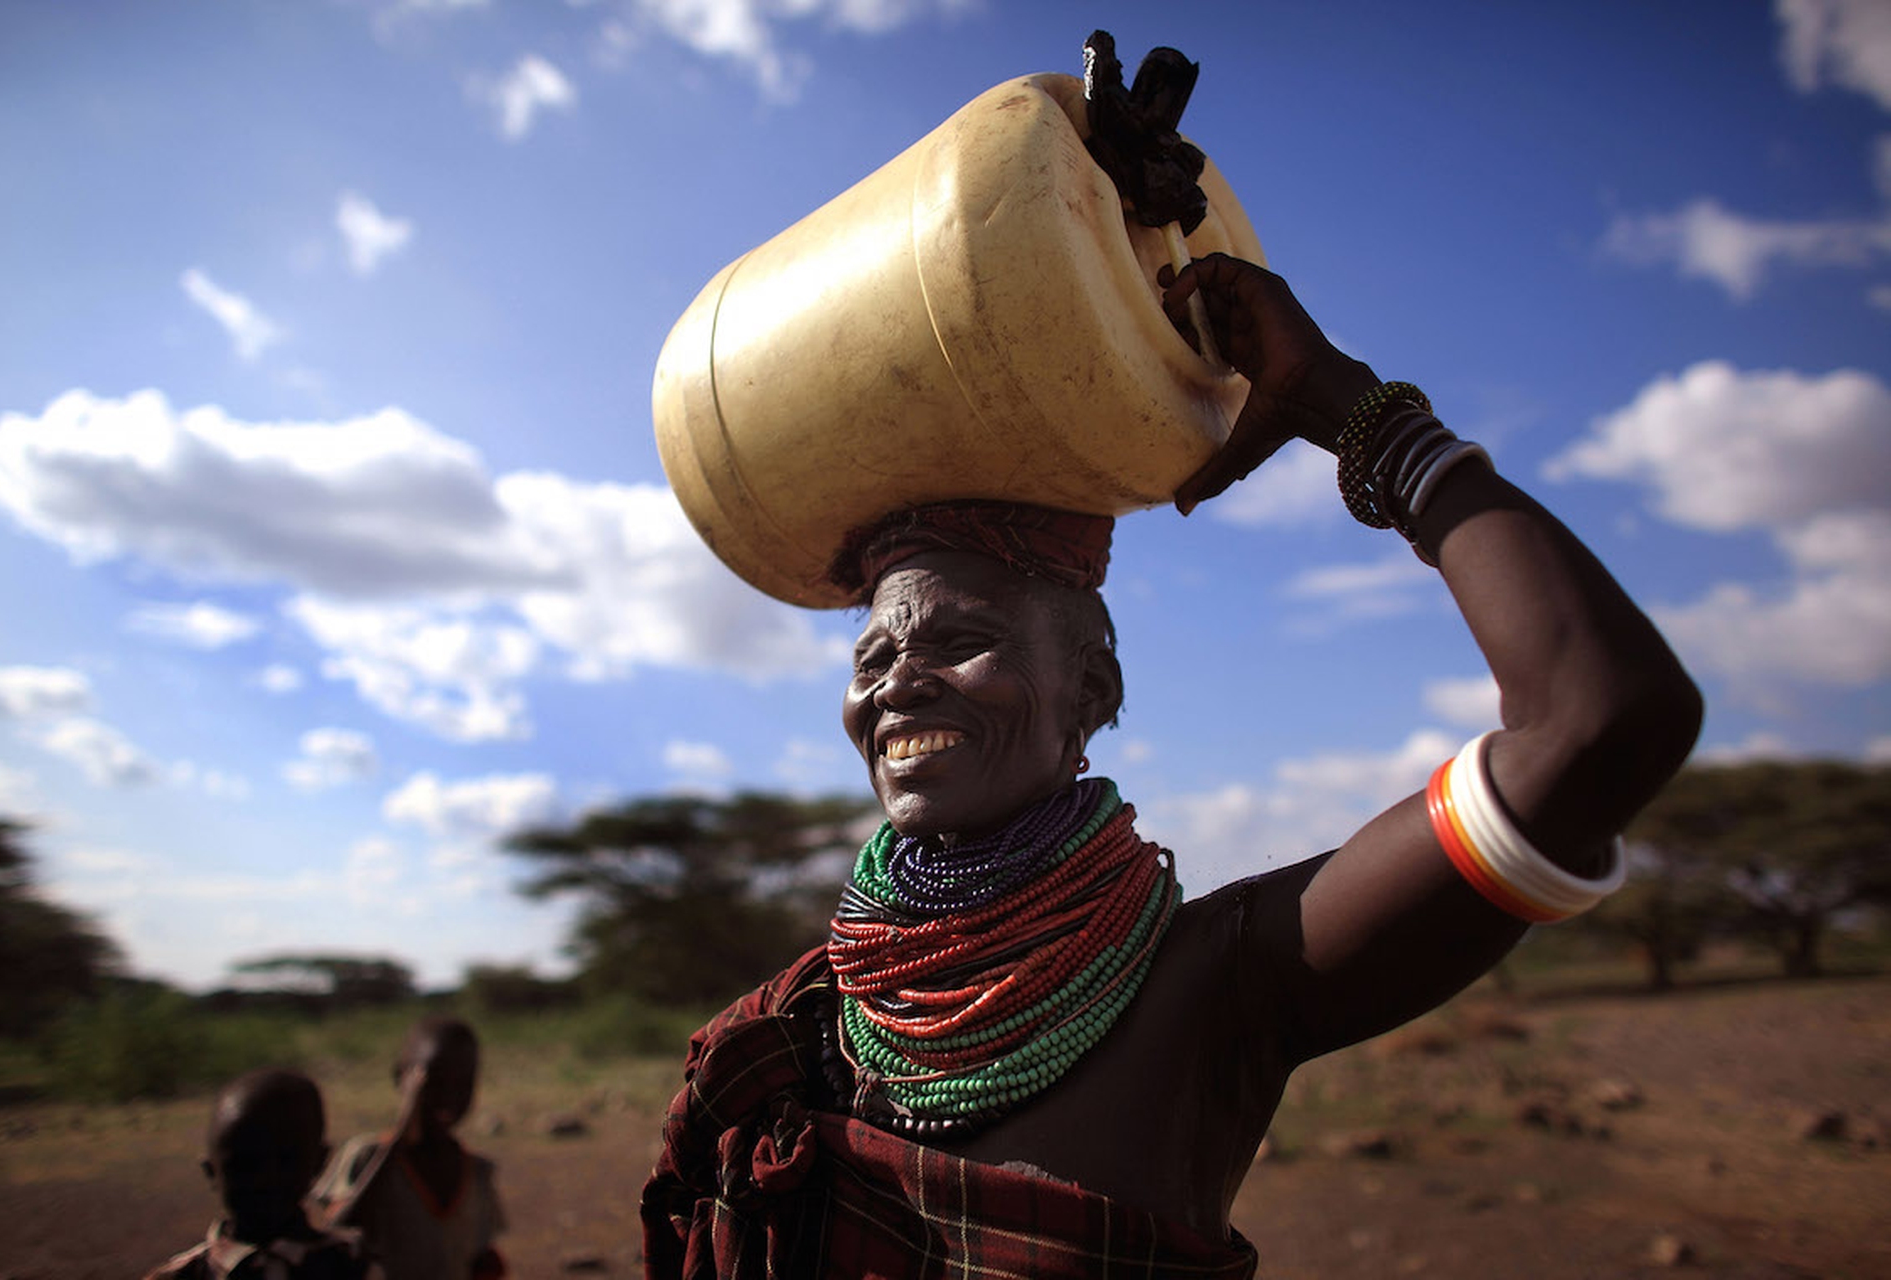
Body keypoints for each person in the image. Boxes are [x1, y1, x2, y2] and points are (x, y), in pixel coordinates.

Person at [639, 251, 1703, 1278]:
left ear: (1092, 692)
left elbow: (1599, 721)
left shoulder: (1220, 982)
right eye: (872, 655)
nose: (898, 685)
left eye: (960, 640)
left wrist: (1349, 405)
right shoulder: (802, 1026)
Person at [313, 1016, 508, 1280]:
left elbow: (480, 1258)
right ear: (401, 1078)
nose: (449, 1096)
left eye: (463, 1084)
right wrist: (399, 1138)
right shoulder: (367, 1156)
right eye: (434, 1082)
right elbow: (341, 1228)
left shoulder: (477, 1172)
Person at [143, 1068, 375, 1280]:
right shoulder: (180, 1277)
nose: (264, 1180)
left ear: (319, 1162)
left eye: (286, 1160)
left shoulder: (355, 1265)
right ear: (211, 1170)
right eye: (244, 1163)